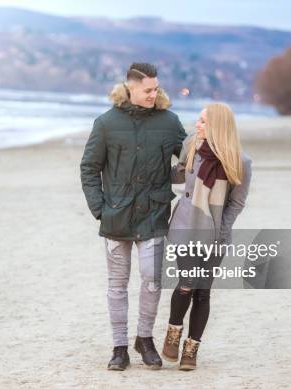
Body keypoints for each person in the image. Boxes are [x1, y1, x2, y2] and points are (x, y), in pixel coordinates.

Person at [80, 62, 187, 370]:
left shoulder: (169, 122)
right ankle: (119, 347)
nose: (155, 94)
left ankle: (145, 339)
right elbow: (89, 168)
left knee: (153, 281)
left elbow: (187, 164)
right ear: (130, 88)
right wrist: (99, 208)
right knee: (117, 284)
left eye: (157, 89)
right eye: (148, 90)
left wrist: (172, 177)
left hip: (153, 215)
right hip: (116, 216)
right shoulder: (106, 123)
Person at [161, 102, 252, 370]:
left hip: (215, 234)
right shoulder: (192, 144)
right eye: (198, 120)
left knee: (203, 292)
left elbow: (236, 203)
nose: (197, 125)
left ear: (218, 126)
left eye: (203, 121)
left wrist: (220, 233)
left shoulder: (241, 162)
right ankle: (173, 332)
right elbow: (179, 175)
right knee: (187, 283)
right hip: (185, 225)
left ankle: (191, 349)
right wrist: (147, 171)